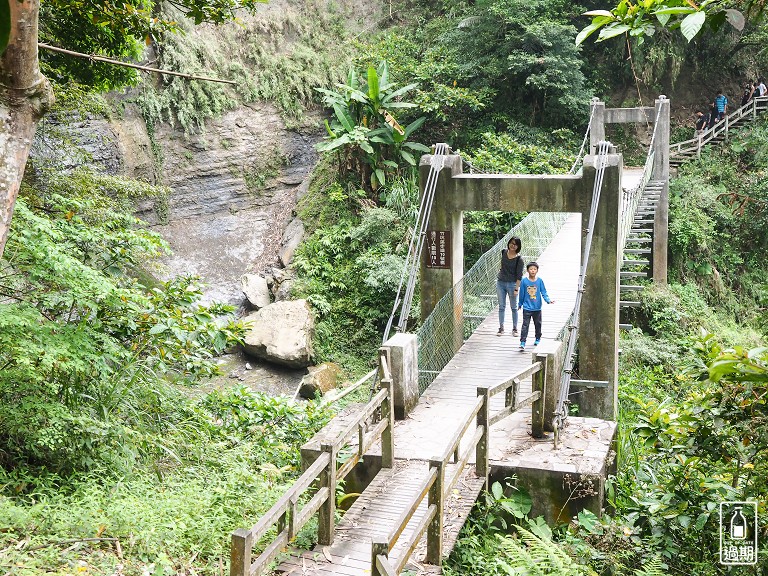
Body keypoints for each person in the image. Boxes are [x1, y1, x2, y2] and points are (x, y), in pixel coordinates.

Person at [517, 261, 555, 351]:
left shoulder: (540, 281)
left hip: (537, 307)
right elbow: (521, 293)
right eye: (531, 269)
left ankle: (538, 338)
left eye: (534, 269)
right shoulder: (524, 281)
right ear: (528, 270)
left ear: (537, 270)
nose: (533, 271)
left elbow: (543, 292)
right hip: (527, 307)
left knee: (538, 324)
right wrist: (520, 304)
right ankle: (522, 342)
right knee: (525, 325)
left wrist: (548, 300)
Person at [496, 236, 524, 336]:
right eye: (511, 243)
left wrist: (517, 288)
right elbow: (502, 265)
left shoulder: (519, 259)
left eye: (515, 244)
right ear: (509, 243)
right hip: (500, 283)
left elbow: (519, 275)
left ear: (518, 246)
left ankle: (515, 329)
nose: (513, 245)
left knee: (514, 307)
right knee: (501, 306)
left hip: (512, 284)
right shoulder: (504, 252)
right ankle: (501, 328)